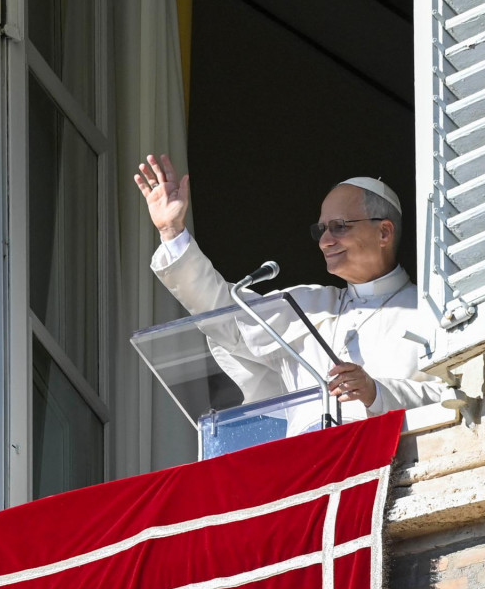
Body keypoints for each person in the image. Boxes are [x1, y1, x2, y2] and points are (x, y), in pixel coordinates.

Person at [134, 154, 448, 430]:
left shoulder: (432, 311)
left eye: (339, 226)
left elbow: (452, 397)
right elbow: (225, 315)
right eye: (321, 230)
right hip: (305, 471)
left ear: (384, 232)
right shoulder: (307, 305)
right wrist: (171, 232)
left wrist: (375, 393)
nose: (325, 241)